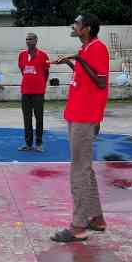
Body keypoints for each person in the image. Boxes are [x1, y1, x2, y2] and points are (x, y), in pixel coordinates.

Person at [50, 14, 109, 243]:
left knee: (79, 170)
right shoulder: (85, 50)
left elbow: (101, 81)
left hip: (85, 117)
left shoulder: (97, 49)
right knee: (85, 168)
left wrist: (78, 59)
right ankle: (96, 217)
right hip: (77, 114)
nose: (73, 26)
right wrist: (71, 63)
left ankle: (78, 225)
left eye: (76, 23)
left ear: (87, 28)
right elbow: (86, 77)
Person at [18, 32, 50, 152]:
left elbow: (46, 73)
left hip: (38, 92)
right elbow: (23, 70)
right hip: (25, 91)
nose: (28, 41)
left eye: (30, 39)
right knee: (27, 118)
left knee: (39, 117)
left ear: (36, 41)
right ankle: (28, 143)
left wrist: (40, 84)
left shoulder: (43, 55)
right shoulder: (21, 55)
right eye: (26, 39)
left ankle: (39, 143)